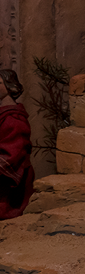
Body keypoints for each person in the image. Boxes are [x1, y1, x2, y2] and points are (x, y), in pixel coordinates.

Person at [0, 69, 35, 219]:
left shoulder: (14, 119)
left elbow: (13, 153)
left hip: (11, 180)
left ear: (9, 86)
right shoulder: (4, 114)